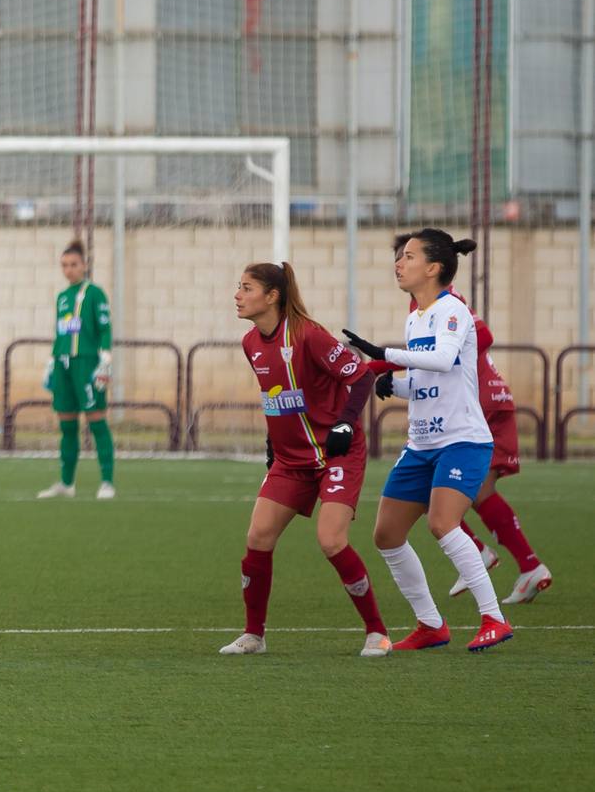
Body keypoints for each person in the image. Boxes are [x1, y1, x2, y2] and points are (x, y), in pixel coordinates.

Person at [339, 228, 510, 652]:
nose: (399, 263)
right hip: (422, 444)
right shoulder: (415, 316)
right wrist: (392, 386)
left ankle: (495, 618)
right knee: (387, 534)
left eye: (409, 256)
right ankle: (431, 625)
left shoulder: (452, 310)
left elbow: (444, 358)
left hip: (462, 441)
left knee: (442, 523)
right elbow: (425, 378)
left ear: (434, 268)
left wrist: (385, 356)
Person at [215, 263, 391, 658]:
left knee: (330, 540)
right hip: (291, 460)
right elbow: (275, 394)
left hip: (336, 455)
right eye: (237, 287)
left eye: (246, 288)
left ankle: (377, 632)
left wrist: (346, 424)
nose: (237, 295)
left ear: (272, 295)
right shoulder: (250, 342)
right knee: (257, 538)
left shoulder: (308, 334)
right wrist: (271, 441)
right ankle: (254, 636)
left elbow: (360, 377)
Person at [412, 315, 553, 604]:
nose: (400, 267)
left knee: (424, 483)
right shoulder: (431, 298)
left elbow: (483, 334)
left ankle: (480, 554)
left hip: (474, 402)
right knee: (478, 491)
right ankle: (529, 567)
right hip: (487, 397)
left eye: (405, 264)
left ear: (432, 267)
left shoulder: (439, 298)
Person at [36, 240, 115, 500]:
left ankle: (107, 483)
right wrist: (52, 361)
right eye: (64, 265)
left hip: (87, 363)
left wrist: (105, 359)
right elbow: (62, 330)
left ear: (84, 265)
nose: (68, 270)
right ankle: (66, 483)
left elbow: (104, 328)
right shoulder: (62, 297)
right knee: (67, 425)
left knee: (96, 421)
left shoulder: (94, 293)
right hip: (63, 363)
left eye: (73, 264)